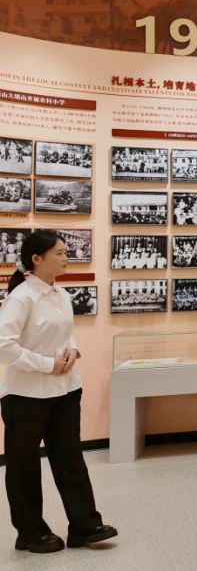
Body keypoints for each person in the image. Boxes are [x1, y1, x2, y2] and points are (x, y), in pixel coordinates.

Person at [0, 230, 117, 553]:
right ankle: (30, 532)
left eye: (67, 252)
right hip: (25, 396)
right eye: (61, 253)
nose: (67, 258)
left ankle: (85, 526)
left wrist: (73, 350)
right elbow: (3, 346)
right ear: (37, 259)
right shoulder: (21, 297)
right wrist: (45, 364)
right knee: (24, 465)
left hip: (65, 391)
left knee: (70, 459)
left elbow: (66, 335)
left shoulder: (61, 294)